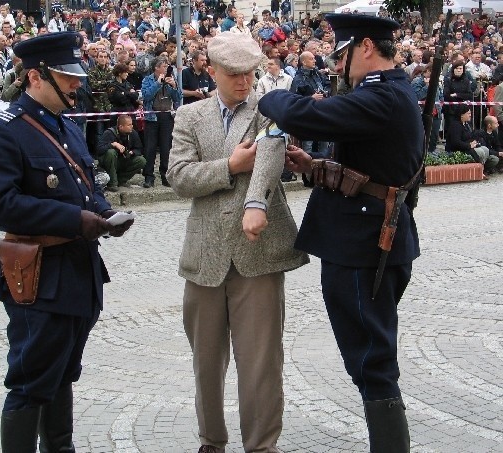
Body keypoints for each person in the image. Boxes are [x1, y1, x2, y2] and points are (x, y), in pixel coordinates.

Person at [258, 14, 423, 452]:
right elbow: (373, 168)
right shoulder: (392, 91)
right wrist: (313, 167)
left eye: (342, 54)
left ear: (366, 47)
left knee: (372, 361)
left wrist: (269, 94)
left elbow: (305, 114)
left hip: (363, 246)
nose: (336, 66)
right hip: (372, 239)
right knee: (371, 355)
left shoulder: (381, 96)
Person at [0, 32, 134, 453]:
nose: (76, 84)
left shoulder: (65, 125)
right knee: (31, 380)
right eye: (66, 77)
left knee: (62, 373)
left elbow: (86, 183)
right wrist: (74, 220)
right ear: (35, 76)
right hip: (37, 273)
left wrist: (103, 213)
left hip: (78, 271)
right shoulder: (3, 131)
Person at [167, 32, 308, 453]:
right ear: (211, 72)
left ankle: (262, 446)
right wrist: (229, 165)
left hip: (258, 253)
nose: (244, 83)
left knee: (262, 363)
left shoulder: (267, 110)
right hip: (205, 255)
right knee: (206, 363)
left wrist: (254, 203)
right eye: (233, 75)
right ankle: (211, 440)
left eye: (249, 73)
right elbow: (178, 177)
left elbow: (268, 159)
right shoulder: (189, 116)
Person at [141, 56, 181, 188]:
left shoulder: (171, 78)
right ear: (156, 68)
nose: (166, 68)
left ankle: (165, 176)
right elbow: (146, 96)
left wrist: (174, 86)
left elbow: (178, 97)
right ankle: (148, 176)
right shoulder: (148, 80)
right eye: (163, 66)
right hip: (152, 117)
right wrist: (158, 83)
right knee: (150, 148)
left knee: (166, 148)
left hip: (167, 117)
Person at [94, 114, 146, 191]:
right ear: (121, 127)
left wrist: (132, 152)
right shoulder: (109, 133)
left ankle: (120, 180)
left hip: (123, 160)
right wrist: (113, 144)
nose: (131, 126)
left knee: (141, 160)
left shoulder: (133, 133)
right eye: (129, 125)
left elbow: (139, 149)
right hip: (109, 163)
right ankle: (112, 183)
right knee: (111, 152)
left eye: (131, 124)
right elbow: (98, 150)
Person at [446, 104, 498, 177]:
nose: (470, 115)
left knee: (485, 149)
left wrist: (474, 142)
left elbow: (470, 136)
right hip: (458, 150)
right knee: (481, 152)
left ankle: (481, 169)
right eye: (468, 113)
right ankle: (479, 170)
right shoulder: (455, 126)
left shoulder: (467, 124)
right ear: (462, 115)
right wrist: (469, 145)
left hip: (468, 147)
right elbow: (455, 142)